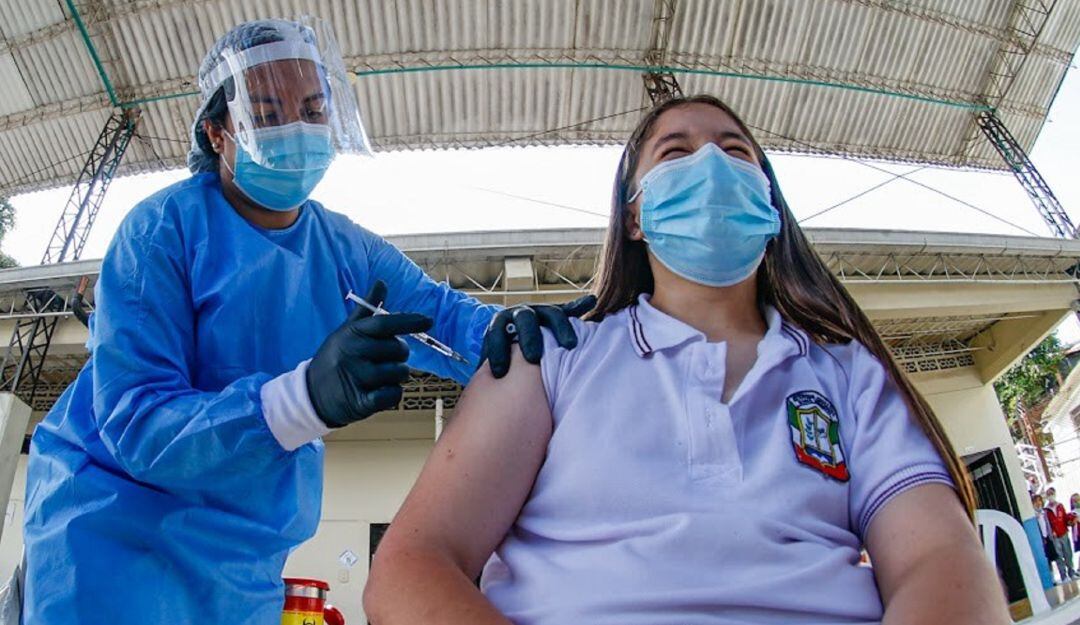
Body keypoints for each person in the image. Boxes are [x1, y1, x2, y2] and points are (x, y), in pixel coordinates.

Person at [20, 18, 590, 625]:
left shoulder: (347, 250)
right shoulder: (161, 231)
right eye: (266, 113)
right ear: (217, 133)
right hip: (109, 536)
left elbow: (444, 317)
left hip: (244, 560)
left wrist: (522, 332)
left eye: (313, 109)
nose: (296, 128)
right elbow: (138, 426)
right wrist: (302, 399)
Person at [364, 95, 1010, 624]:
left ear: (769, 206)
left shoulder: (849, 372)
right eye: (675, 152)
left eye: (735, 151)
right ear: (636, 217)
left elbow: (940, 559)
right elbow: (411, 567)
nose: (710, 164)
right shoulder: (552, 358)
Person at [1045, 488, 1079, 581]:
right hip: (1055, 537)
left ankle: (1071, 573)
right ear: (1047, 496)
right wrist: (1051, 532)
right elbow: (1047, 523)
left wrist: (1070, 521)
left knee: (1068, 553)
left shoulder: (1060, 506)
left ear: (1055, 494)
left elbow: (1065, 518)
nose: (1051, 496)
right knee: (1059, 556)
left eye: (1052, 493)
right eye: (1049, 494)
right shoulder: (1046, 510)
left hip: (1064, 533)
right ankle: (1063, 576)